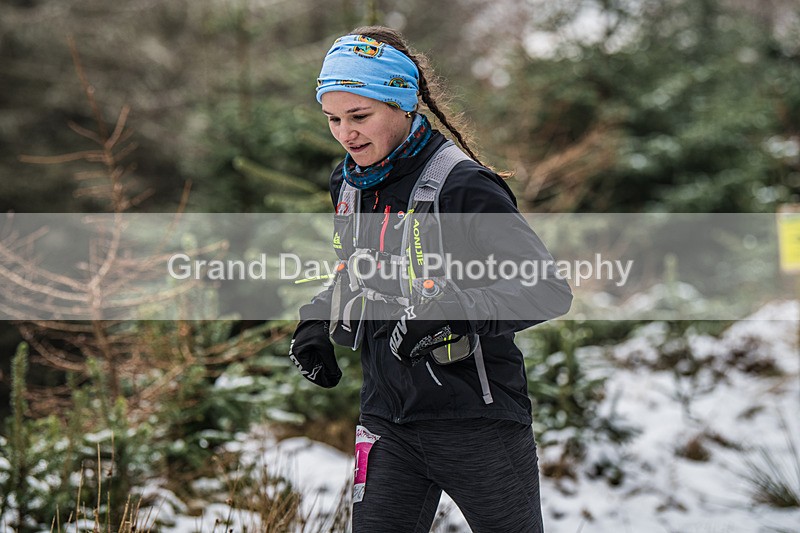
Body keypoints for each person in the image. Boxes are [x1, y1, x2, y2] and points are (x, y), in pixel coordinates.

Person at [288, 25, 572, 532]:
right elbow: (363, 273)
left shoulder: (464, 185)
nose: (345, 133)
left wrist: (454, 310)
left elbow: (547, 288)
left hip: (478, 423)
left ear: (402, 104)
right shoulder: (349, 183)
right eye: (332, 119)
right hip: (386, 421)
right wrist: (319, 315)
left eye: (359, 116)